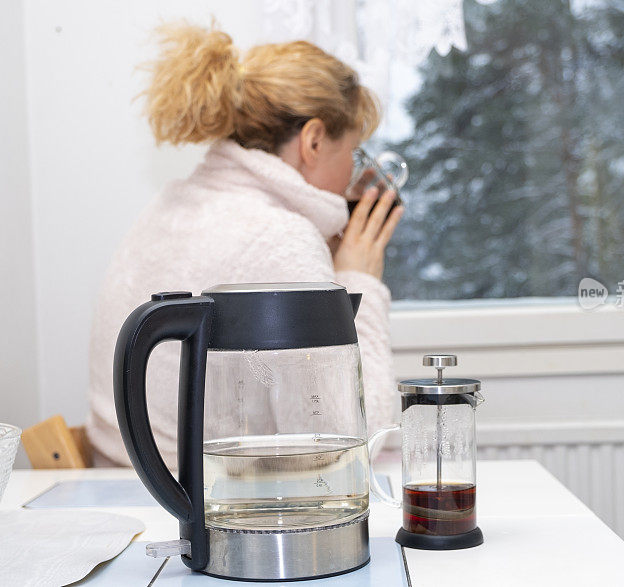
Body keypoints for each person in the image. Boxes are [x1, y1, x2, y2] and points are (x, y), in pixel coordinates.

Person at [86, 23, 403, 468]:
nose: (352, 171)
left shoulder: (174, 201)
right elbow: (343, 443)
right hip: (195, 499)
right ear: (313, 141)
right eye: (352, 151)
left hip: (117, 477)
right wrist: (359, 281)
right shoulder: (281, 235)